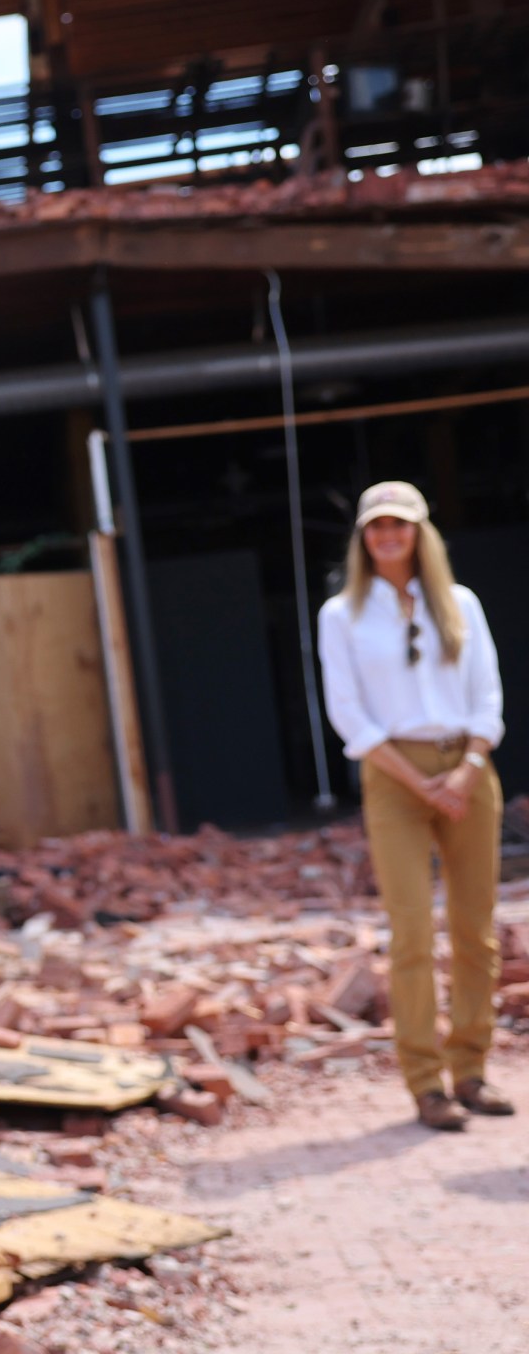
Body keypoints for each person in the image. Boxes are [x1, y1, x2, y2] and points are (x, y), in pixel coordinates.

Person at [317, 480, 512, 1131]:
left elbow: (488, 694)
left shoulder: (459, 604)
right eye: (377, 527)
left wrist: (466, 770)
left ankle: (472, 1069)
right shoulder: (341, 615)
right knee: (409, 931)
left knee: (475, 929)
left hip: (468, 767)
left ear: (420, 533)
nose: (388, 536)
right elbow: (348, 712)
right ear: (364, 539)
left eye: (400, 525)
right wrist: (417, 779)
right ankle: (425, 1083)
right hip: (393, 774)